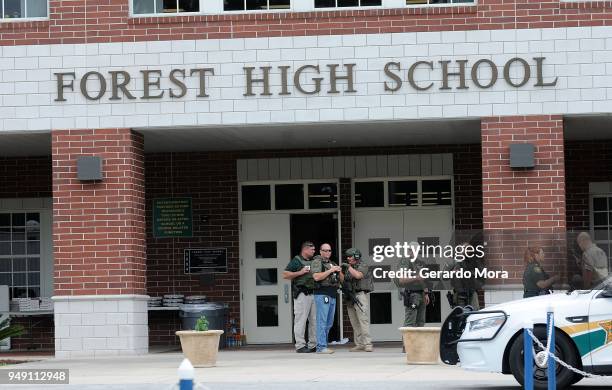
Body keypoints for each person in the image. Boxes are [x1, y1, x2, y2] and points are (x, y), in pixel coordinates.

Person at [283, 241, 317, 353]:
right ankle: (300, 346)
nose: (314, 251)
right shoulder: (297, 260)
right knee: (300, 321)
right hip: (302, 294)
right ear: (305, 249)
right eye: (312, 249)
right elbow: (285, 274)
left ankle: (313, 345)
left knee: (314, 321)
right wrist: (300, 272)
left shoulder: (313, 261)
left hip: (313, 294)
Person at [340, 247, 374, 352]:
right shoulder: (348, 266)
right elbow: (343, 280)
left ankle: (368, 343)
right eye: (347, 257)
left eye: (350, 256)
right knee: (354, 322)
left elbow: (358, 275)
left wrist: (348, 267)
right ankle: (359, 343)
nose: (348, 258)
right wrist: (339, 271)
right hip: (350, 296)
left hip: (359, 295)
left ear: (356, 256)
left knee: (363, 320)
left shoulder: (363, 265)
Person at [311, 243, 342, 354]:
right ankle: (321, 347)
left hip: (332, 294)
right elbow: (316, 277)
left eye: (329, 250)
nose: (327, 253)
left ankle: (324, 344)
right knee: (322, 321)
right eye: (325, 250)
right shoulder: (316, 262)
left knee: (329, 322)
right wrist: (330, 270)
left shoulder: (332, 263)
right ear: (320, 251)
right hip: (322, 293)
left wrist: (339, 270)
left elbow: (341, 280)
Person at [396, 242, 430, 327]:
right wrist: (416, 278)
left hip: (421, 294)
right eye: (411, 250)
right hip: (412, 295)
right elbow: (401, 280)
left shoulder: (421, 263)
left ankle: (418, 341)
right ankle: (407, 341)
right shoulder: (405, 262)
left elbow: (424, 280)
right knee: (410, 322)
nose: (413, 252)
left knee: (421, 322)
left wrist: (426, 294)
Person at [449, 242, 484, 309]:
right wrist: (452, 273)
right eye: (464, 249)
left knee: (474, 313)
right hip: (459, 294)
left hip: (472, 293)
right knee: (461, 314)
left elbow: (482, 274)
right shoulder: (454, 261)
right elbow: (443, 276)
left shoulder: (475, 261)